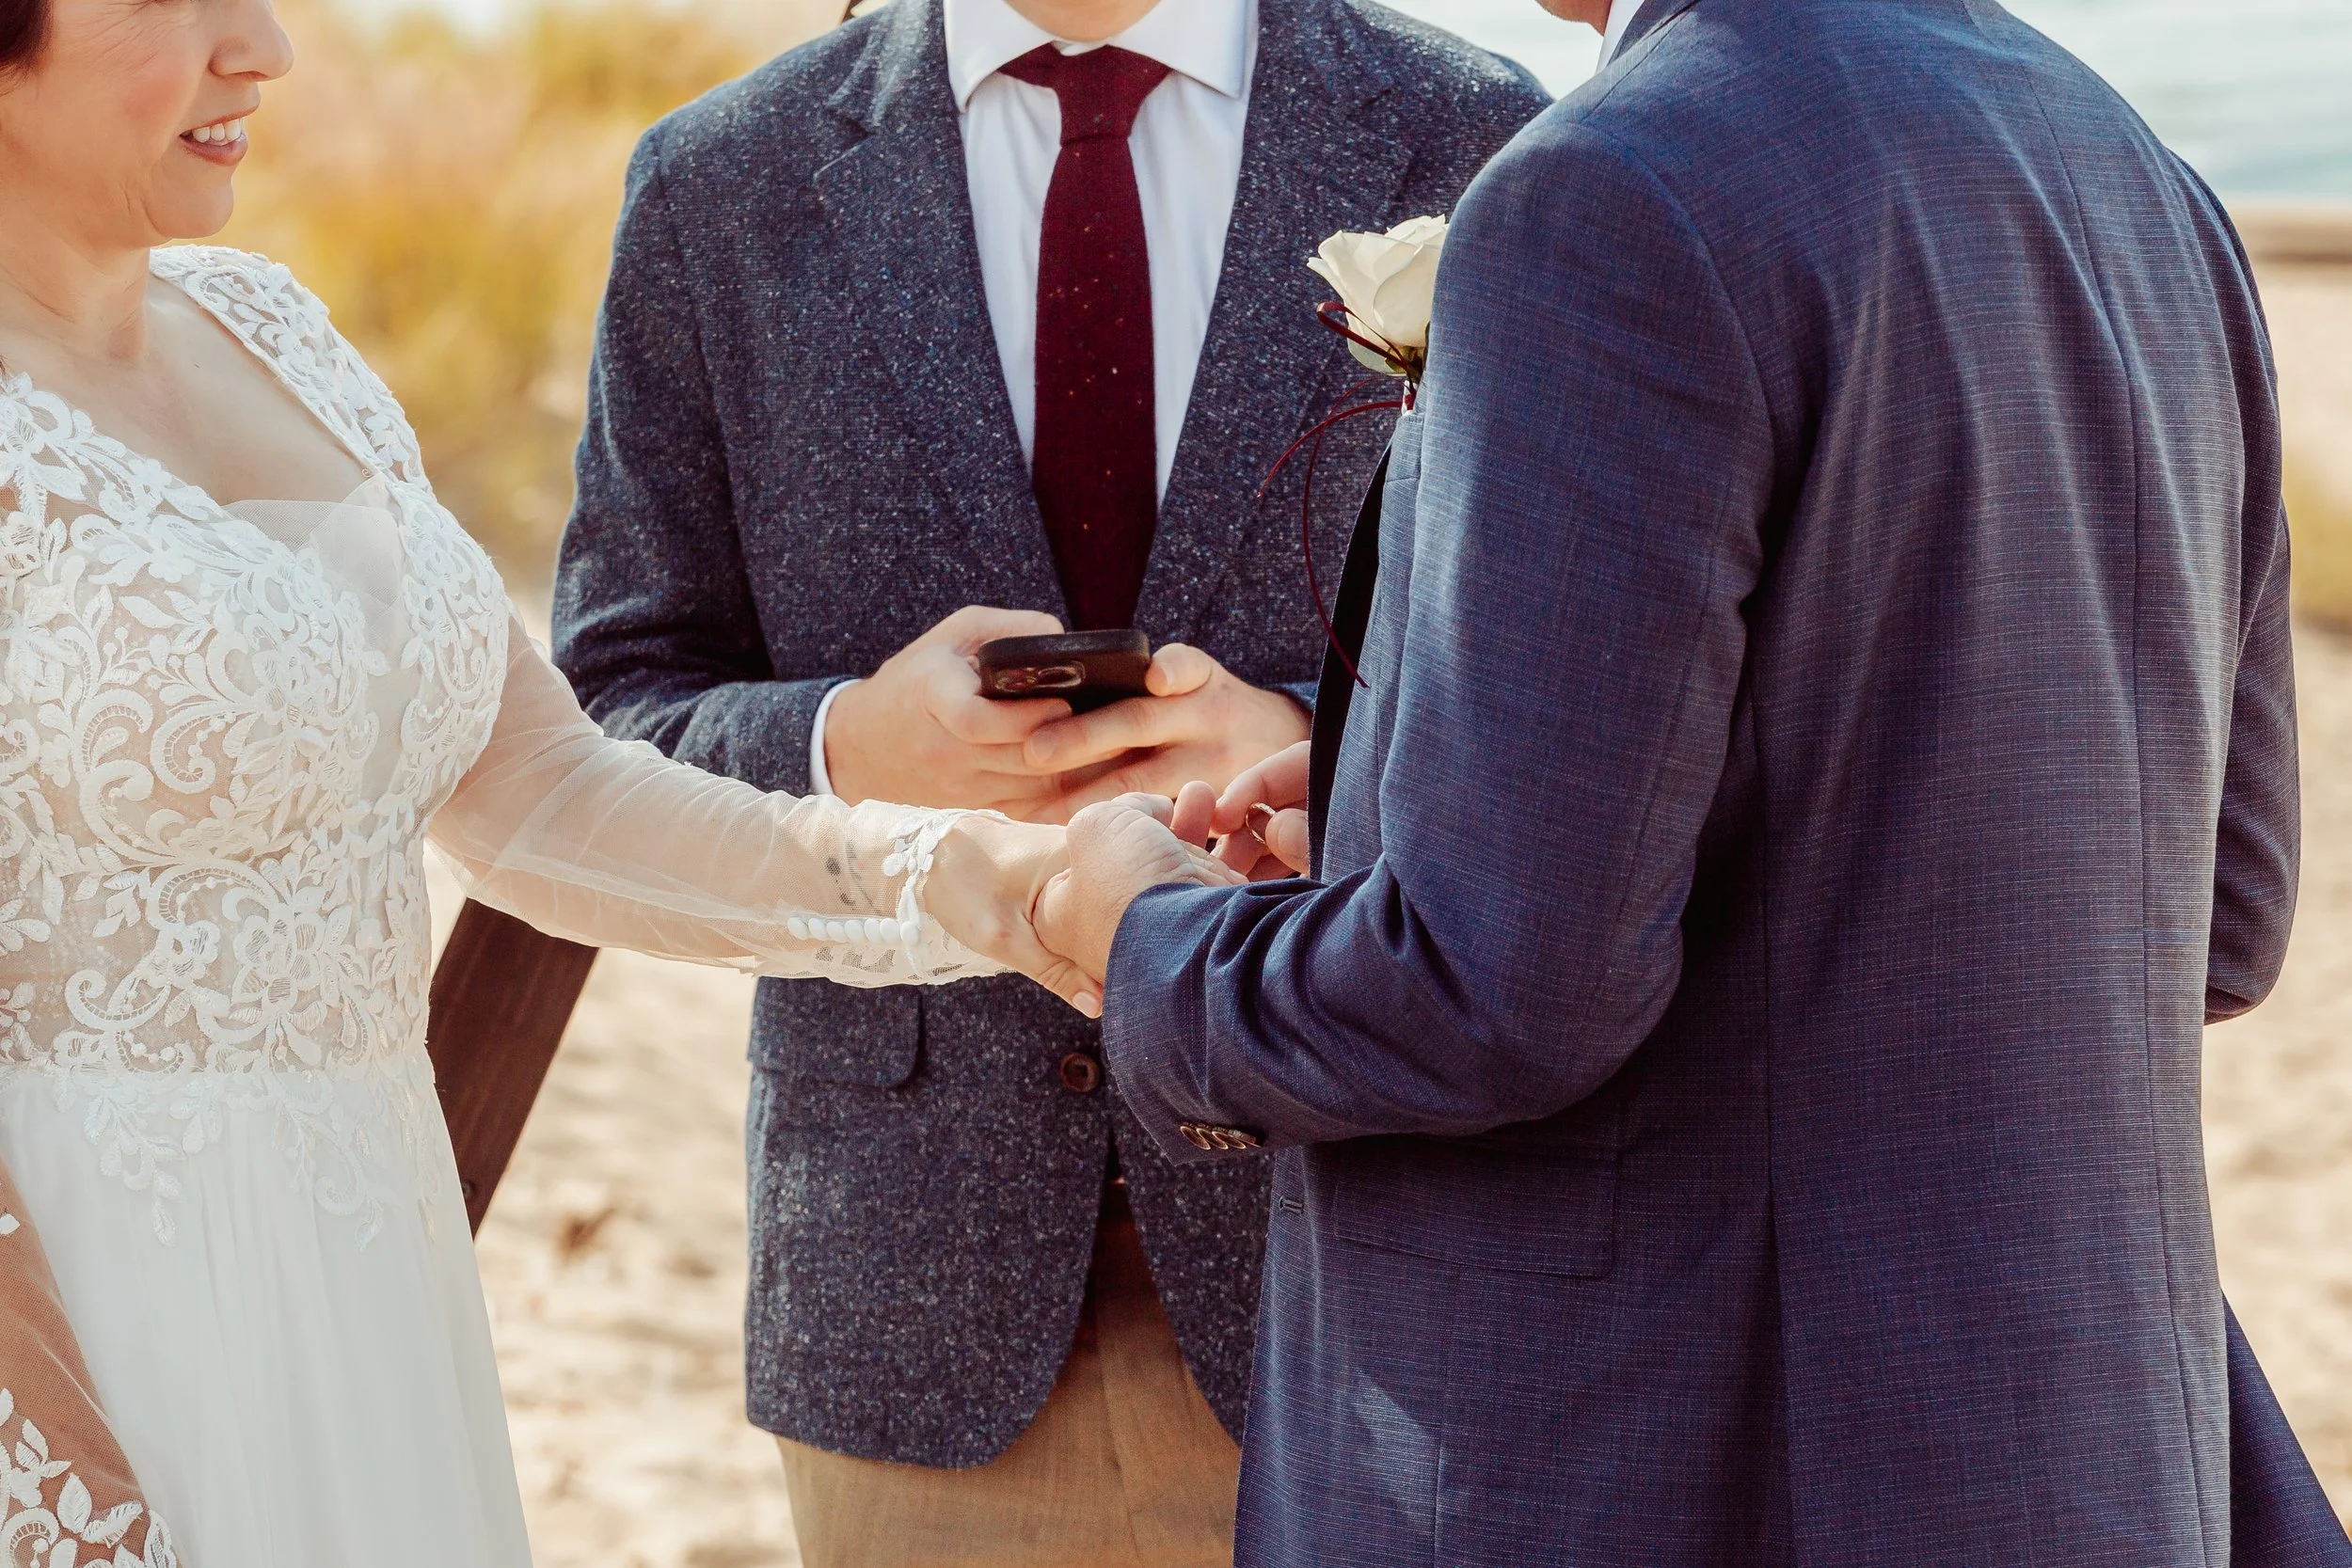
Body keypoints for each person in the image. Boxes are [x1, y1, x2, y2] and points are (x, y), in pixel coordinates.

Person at [1039, 0, 2352, 1562]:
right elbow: (2217, 908)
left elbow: (1493, 991)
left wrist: (1145, 944)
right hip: (2080, 1438)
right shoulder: (2136, 173)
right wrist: (1447, 781)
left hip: (1685, 1463)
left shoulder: (1611, 185)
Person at [0, 1, 1162, 1562]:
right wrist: (58, 1476)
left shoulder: (278, 334)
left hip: (363, 1300)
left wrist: (977, 883)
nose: (261, 47)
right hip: (83, 1325)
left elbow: (546, 794)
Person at [550, 0, 1546, 1561]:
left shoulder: (1483, 137)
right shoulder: (716, 186)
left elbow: (1596, 700)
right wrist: (846, 744)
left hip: (1381, 1286)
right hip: (908, 1310)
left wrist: (1311, 743)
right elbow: (606, 722)